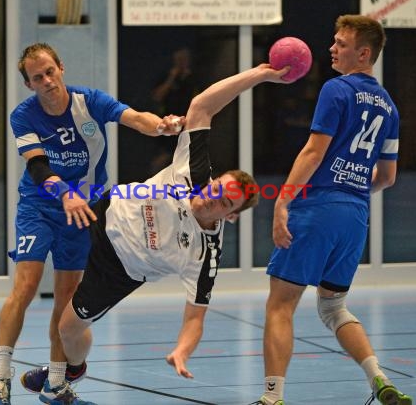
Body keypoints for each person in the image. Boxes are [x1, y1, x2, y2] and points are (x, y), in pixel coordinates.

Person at [19, 63, 291, 403]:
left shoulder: (204, 254)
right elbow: (202, 106)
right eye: (216, 187)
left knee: (68, 327)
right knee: (54, 285)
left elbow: (195, 316)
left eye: (223, 202)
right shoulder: (193, 169)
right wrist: (259, 75)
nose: (210, 198)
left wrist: (182, 349)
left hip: (120, 269)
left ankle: (72, 368)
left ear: (231, 217)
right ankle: (56, 380)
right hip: (102, 213)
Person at [0, 42, 183, 405]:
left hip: (83, 209)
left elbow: (136, 118)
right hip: (40, 205)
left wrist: (163, 126)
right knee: (26, 286)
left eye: (49, 72)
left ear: (61, 68)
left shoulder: (89, 102)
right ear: (29, 84)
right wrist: (64, 193)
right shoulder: (23, 116)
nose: (46, 81)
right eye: (36, 77)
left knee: (67, 296)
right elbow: (37, 165)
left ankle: (56, 383)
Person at [250, 15, 412, 405]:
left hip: (319, 207)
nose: (332, 49)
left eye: (341, 43)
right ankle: (379, 379)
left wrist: (283, 199)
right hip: (356, 215)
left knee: (281, 304)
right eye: (334, 41)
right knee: (333, 306)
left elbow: (313, 151)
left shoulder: (336, 89)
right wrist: (352, 190)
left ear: (364, 53)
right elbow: (387, 177)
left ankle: (272, 399)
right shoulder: (389, 107)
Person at [149, 47, 200, 173]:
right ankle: (150, 182)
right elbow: (157, 96)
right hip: (168, 123)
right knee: (164, 156)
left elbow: (200, 100)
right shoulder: (167, 77)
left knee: (188, 158)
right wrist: (171, 78)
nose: (182, 62)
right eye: (179, 60)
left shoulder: (195, 78)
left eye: (184, 59)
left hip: (188, 123)